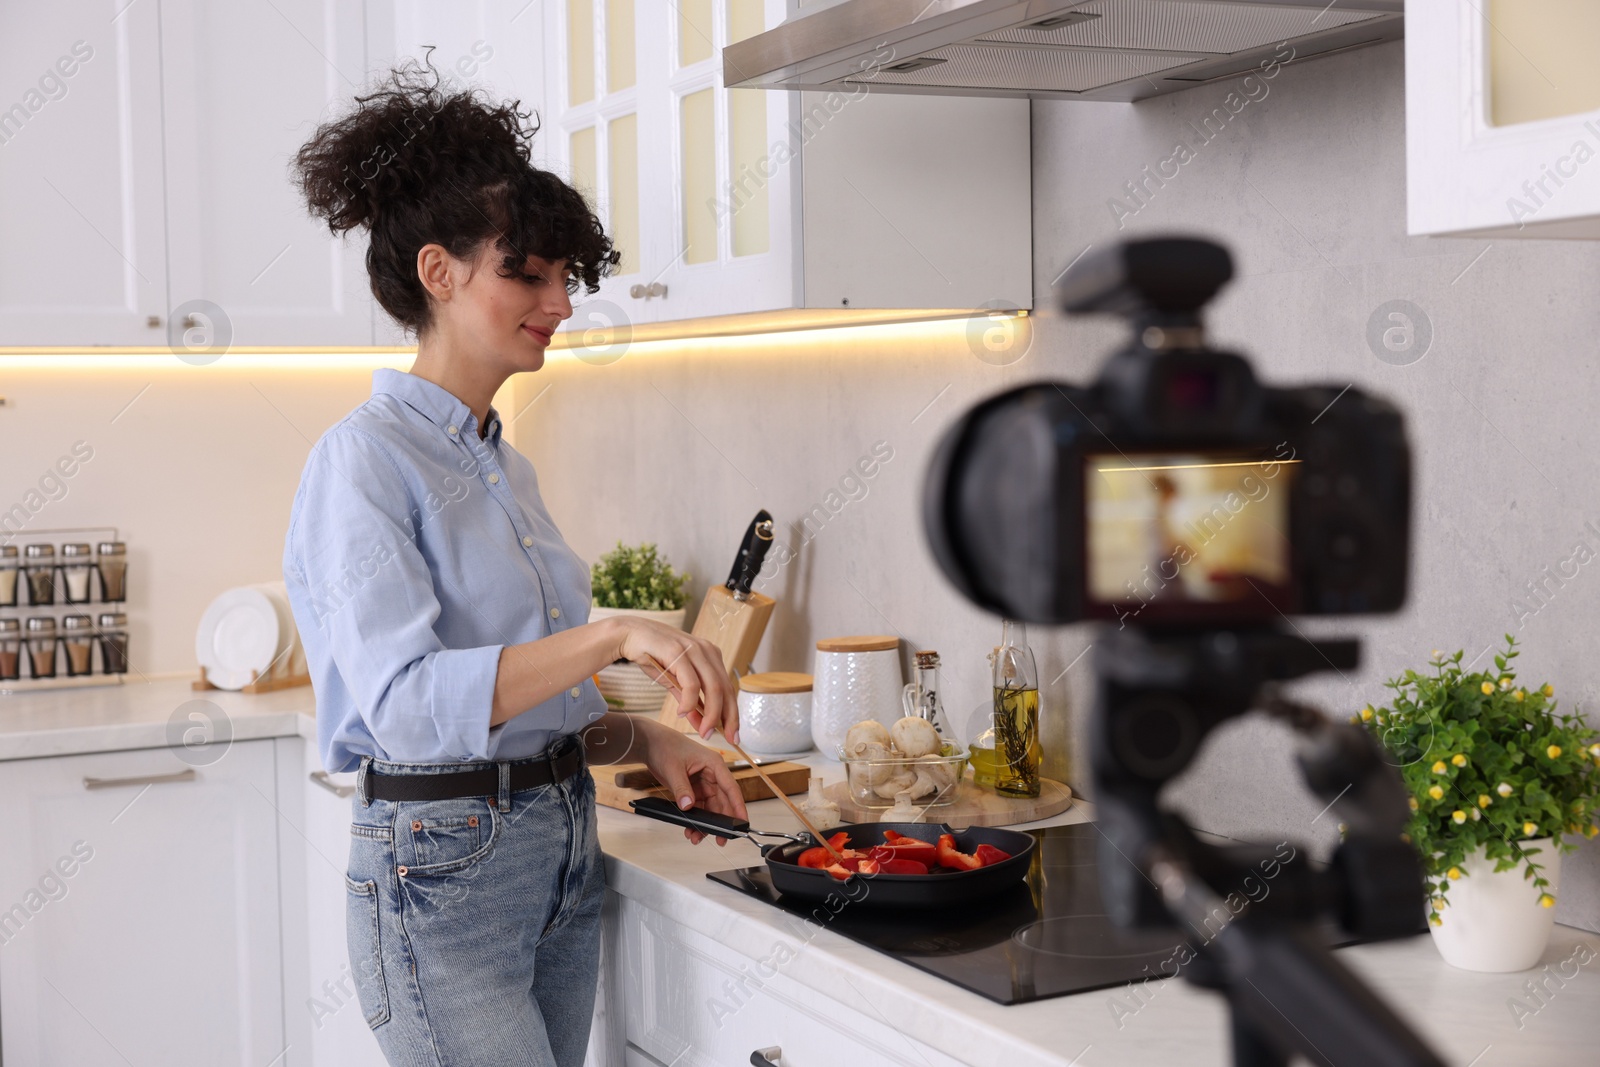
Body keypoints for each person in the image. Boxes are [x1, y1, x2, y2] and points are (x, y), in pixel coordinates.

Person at [281, 60, 748, 1067]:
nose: (562, 301)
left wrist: (641, 739)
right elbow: (407, 706)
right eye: (528, 274)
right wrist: (615, 632)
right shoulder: (362, 459)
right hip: (443, 868)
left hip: (557, 840)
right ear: (439, 274)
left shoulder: (502, 463)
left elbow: (516, 694)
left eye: (565, 275)